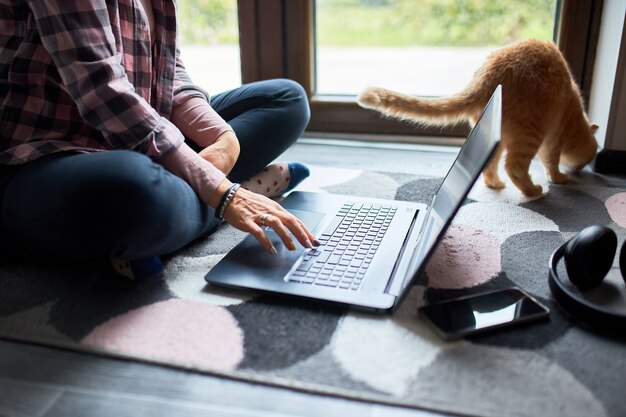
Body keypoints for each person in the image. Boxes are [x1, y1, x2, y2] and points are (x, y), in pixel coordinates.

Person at [0, 0, 317, 280]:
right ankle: (234, 192)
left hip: (143, 135)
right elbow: (102, 90)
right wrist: (225, 195)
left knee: (286, 100)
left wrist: (225, 141)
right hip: (38, 157)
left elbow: (170, 74)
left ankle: (160, 226)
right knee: (136, 190)